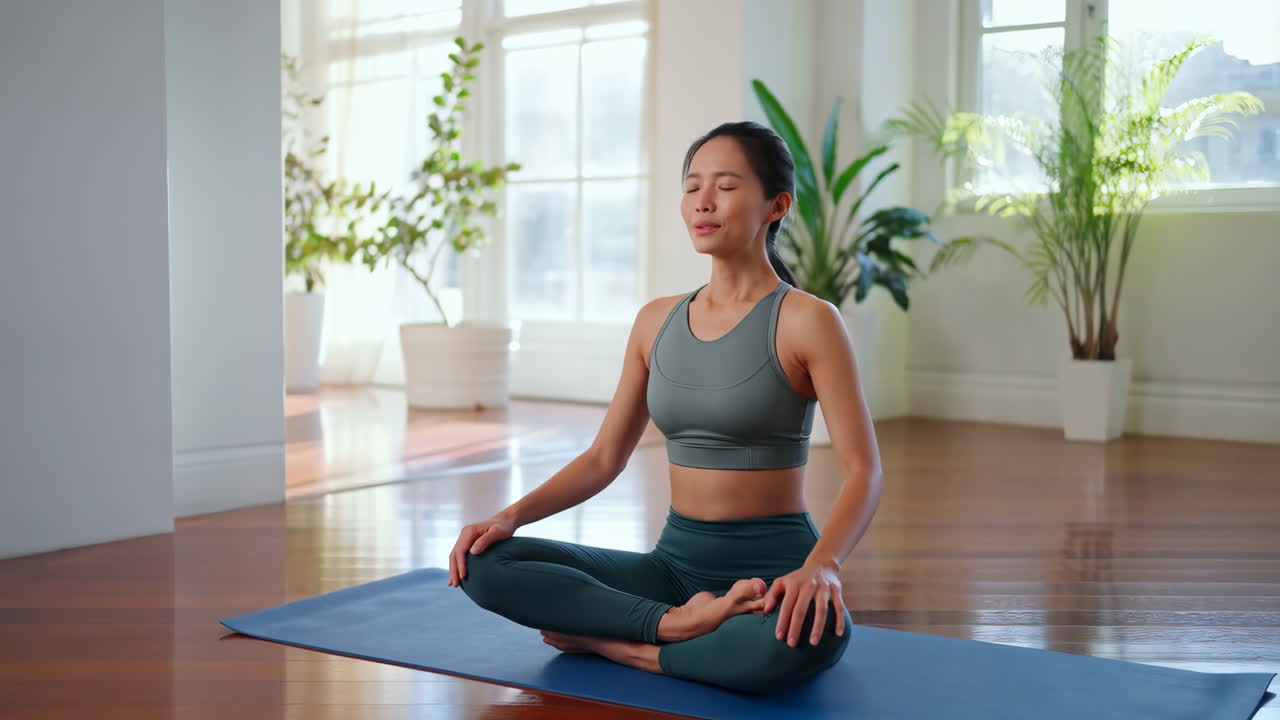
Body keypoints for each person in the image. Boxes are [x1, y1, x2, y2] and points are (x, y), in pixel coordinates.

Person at [447, 120, 883, 696]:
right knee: (485, 563)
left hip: (771, 577)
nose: (702, 201)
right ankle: (676, 625)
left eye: (725, 187)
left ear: (776, 204)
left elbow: (863, 470)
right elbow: (604, 457)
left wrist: (822, 566)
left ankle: (629, 648)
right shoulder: (656, 320)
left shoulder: (807, 319)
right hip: (673, 571)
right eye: (692, 185)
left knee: (814, 638)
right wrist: (510, 517)